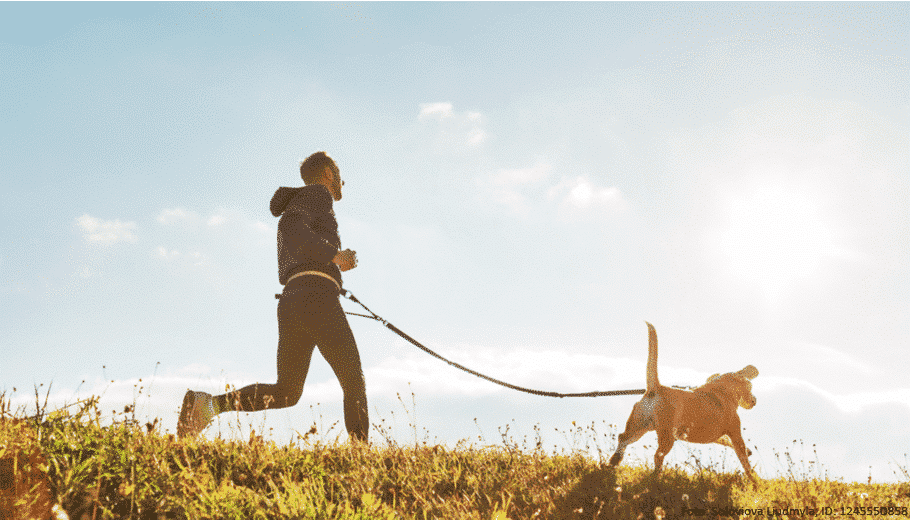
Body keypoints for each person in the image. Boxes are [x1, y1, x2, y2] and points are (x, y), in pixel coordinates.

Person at [177, 151, 369, 442]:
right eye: (338, 172)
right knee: (353, 379)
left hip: (294, 298)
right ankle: (360, 456)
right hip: (316, 297)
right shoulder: (319, 194)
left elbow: (293, 231)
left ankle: (209, 405)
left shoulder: (305, 199)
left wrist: (332, 263)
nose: (342, 180)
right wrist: (334, 255)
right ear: (329, 173)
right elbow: (291, 228)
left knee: (288, 392)